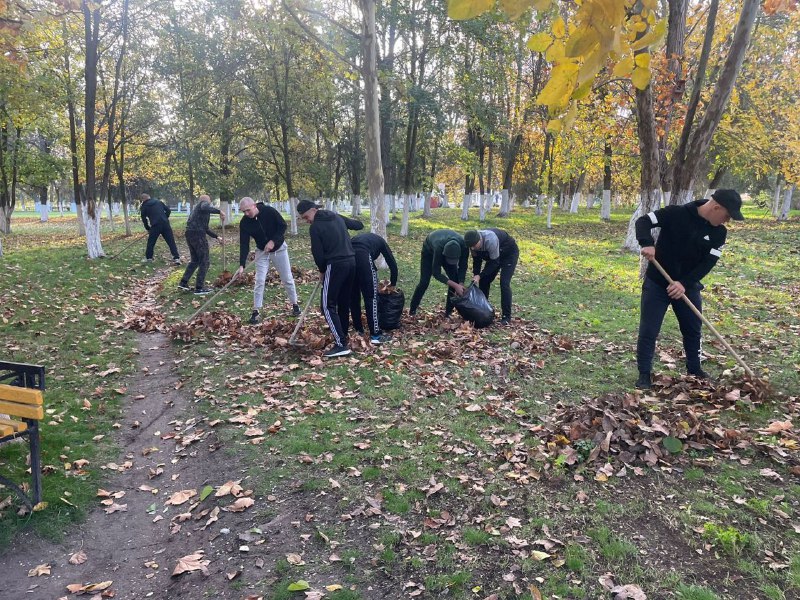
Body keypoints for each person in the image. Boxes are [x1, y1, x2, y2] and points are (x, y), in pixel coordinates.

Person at [634, 189, 744, 390]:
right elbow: (643, 221)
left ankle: (695, 370)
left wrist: (684, 283)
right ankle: (644, 374)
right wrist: (647, 243)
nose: (727, 221)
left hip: (687, 287)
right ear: (716, 207)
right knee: (649, 330)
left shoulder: (719, 233)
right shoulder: (676, 214)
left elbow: (708, 262)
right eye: (727, 216)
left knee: (693, 329)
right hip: (657, 283)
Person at [296, 199, 363, 358]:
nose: (307, 221)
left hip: (336, 265)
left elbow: (317, 253)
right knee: (343, 303)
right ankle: (343, 335)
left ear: (313, 210)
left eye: (306, 217)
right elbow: (358, 225)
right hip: (351, 262)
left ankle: (341, 344)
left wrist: (322, 270)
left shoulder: (316, 227)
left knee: (327, 305)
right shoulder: (336, 216)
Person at [237, 197, 301, 324]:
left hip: (279, 249)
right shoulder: (244, 223)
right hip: (262, 252)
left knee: (287, 278)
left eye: (248, 210)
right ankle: (256, 311)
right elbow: (244, 244)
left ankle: (295, 305)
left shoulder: (269, 211)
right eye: (243, 211)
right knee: (259, 280)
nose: (246, 214)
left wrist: (273, 241)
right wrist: (241, 265)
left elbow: (282, 226)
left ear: (254, 205)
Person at [463, 228, 519, 326]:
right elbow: (477, 260)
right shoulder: (472, 244)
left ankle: (506, 316)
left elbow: (494, 263)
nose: (473, 248)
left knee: (504, 283)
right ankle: (483, 310)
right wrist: (476, 274)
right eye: (470, 247)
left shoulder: (490, 240)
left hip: (508, 254)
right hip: (494, 255)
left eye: (474, 246)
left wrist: (480, 275)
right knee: (484, 281)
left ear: (480, 240)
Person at [350, 233, 398, 344]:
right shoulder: (381, 242)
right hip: (363, 257)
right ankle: (376, 335)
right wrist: (393, 284)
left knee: (354, 297)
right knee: (371, 297)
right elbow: (392, 263)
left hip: (348, 257)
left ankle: (359, 330)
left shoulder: (360, 238)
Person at [408, 229, 468, 317]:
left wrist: (461, 283)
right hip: (429, 250)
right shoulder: (438, 247)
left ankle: (448, 313)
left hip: (447, 249)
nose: (450, 263)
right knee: (424, 282)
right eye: (449, 260)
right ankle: (412, 310)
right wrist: (456, 285)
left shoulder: (464, 246)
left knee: (455, 279)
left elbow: (463, 265)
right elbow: (436, 273)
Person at [178, 195, 225, 295]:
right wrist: (219, 211)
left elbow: (206, 228)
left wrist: (217, 237)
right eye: (209, 202)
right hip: (197, 235)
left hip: (190, 233)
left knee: (195, 260)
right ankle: (199, 288)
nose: (209, 203)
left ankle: (183, 282)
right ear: (207, 201)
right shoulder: (204, 205)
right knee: (205, 261)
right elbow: (205, 207)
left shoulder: (197, 210)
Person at [139, 193, 181, 264]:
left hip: (155, 226)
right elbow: (168, 211)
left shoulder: (144, 206)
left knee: (151, 242)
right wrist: (165, 218)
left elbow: (144, 219)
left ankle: (149, 258)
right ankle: (176, 258)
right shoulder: (159, 202)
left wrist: (148, 228)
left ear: (143, 199)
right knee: (171, 241)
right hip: (165, 224)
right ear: (149, 197)